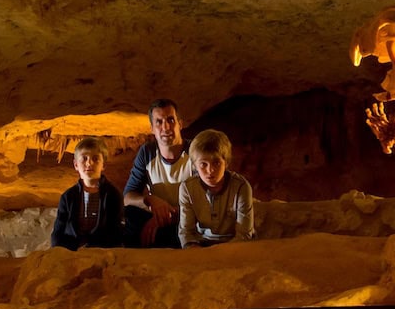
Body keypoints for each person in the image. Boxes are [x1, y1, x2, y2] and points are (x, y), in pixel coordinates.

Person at [123, 99, 194, 248]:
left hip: (189, 218)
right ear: (152, 129)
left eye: (170, 120)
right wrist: (149, 200)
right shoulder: (147, 153)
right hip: (159, 217)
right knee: (131, 213)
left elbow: (207, 200)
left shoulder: (194, 151)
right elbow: (128, 197)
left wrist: (167, 216)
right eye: (159, 122)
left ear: (180, 124)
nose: (166, 127)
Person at [179, 129, 255, 247]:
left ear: (226, 163)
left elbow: (244, 234)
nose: (210, 170)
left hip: (233, 246)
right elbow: (186, 232)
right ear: (195, 166)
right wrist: (194, 249)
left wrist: (219, 253)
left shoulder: (241, 187)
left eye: (216, 163)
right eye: (203, 164)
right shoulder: (187, 189)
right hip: (201, 245)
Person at [51, 137, 123, 251]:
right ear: (75, 165)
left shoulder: (112, 195)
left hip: (102, 253)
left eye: (95, 159)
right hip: (71, 254)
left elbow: (115, 231)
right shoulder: (68, 197)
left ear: (103, 165)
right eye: (84, 158)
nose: (89, 163)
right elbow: (58, 232)